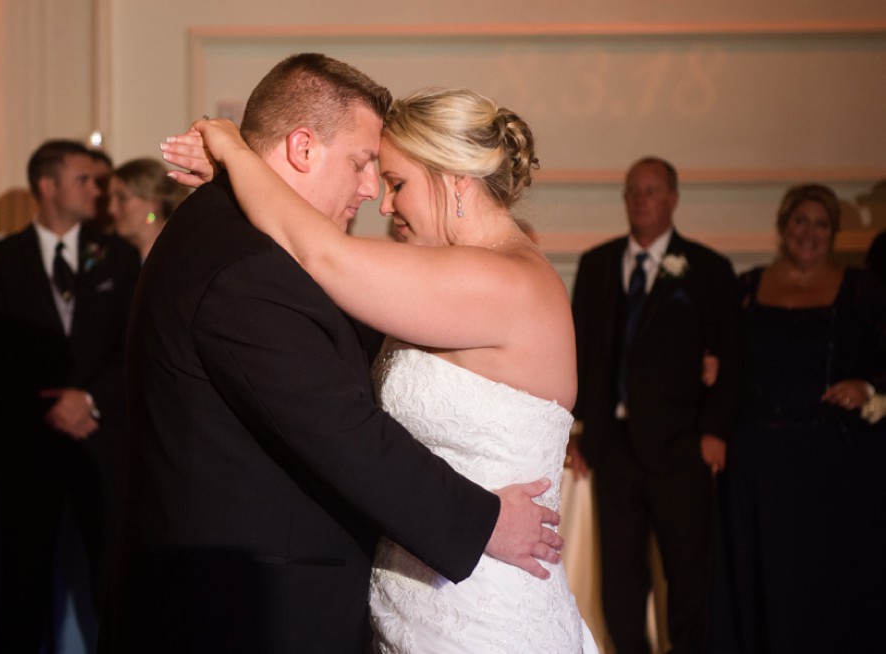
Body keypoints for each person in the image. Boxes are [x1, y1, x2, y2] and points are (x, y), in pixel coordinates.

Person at [101, 54, 561, 654]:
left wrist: (234, 157)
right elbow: (345, 432)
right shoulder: (247, 266)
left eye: (391, 179)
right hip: (237, 615)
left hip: (456, 598)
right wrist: (481, 522)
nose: (374, 195)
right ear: (302, 148)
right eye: (365, 165)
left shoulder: (246, 242)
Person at [0, 139, 141, 653]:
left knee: (111, 587)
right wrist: (51, 403)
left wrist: (88, 399)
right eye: (84, 180)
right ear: (46, 186)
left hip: (101, 443)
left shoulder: (119, 257)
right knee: (22, 588)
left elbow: (133, 343)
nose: (97, 189)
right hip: (29, 448)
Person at [569, 157, 740, 654]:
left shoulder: (707, 269)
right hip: (613, 446)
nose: (639, 200)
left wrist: (715, 431)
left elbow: (732, 357)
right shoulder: (598, 264)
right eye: (632, 192)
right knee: (620, 577)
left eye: (650, 191)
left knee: (687, 572)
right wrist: (582, 433)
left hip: (682, 446)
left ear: (672, 198)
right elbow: (584, 356)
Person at [724, 183, 886, 652]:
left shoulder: (864, 290)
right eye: (800, 221)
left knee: (826, 578)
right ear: (782, 226)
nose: (808, 233)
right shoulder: (747, 288)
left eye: (821, 224)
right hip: (759, 462)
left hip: (833, 461)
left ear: (834, 233)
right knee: (769, 575)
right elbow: (728, 359)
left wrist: (867, 388)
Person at [106, 158, 188, 260]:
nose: (111, 209)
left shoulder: (181, 258)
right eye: (109, 198)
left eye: (122, 198)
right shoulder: (116, 260)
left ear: (152, 204)